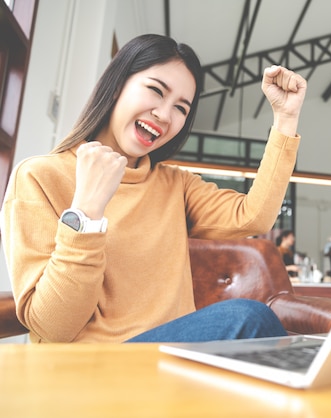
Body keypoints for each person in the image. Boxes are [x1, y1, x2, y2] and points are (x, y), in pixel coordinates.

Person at [1, 34, 307, 343]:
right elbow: (53, 327)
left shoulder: (175, 184)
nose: (164, 115)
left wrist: (286, 118)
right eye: (155, 90)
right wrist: (86, 212)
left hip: (170, 361)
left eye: (181, 108)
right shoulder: (38, 176)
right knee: (247, 318)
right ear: (118, 84)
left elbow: (254, 217)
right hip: (89, 369)